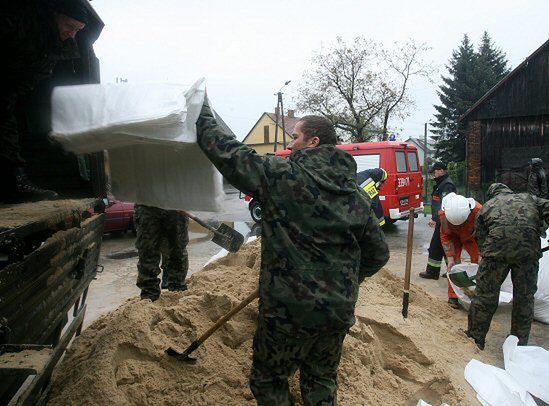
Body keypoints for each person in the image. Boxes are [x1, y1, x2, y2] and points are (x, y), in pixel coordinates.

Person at [195, 100, 390, 405]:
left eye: (295, 136)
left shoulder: (283, 175)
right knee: (321, 379)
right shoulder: (356, 196)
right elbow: (378, 255)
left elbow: (229, 153)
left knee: (269, 380)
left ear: (314, 141)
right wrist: (346, 280)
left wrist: (202, 113)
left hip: (289, 311)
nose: (290, 143)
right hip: (337, 311)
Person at [0, 0, 87, 202]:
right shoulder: (21, 24)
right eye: (70, 26)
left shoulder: (58, 48)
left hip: (8, 92)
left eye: (78, 30)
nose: (72, 34)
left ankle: (15, 183)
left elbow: (30, 79)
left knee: (6, 127)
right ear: (55, 16)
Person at [466, 183, 549, 350]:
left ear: (492, 194)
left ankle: (475, 338)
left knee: (484, 296)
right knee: (524, 298)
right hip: (527, 254)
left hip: (496, 254)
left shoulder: (487, 206)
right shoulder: (530, 199)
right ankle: (519, 344)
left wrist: (486, 255)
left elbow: (480, 236)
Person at [134, 205, 189, 301]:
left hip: (176, 203)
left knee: (178, 250)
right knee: (147, 251)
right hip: (147, 203)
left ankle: (177, 291)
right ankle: (149, 296)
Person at [439, 193, 482, 309]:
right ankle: (453, 296)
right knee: (453, 266)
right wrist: (450, 257)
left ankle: (478, 294)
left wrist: (481, 253)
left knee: (480, 264)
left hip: (473, 237)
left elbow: (486, 234)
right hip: (453, 237)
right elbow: (445, 236)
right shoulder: (444, 215)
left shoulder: (479, 212)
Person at [419, 162, 456, 279]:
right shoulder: (442, 184)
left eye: (434, 172)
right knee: (443, 246)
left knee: (435, 247)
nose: (433, 175)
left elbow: (445, 205)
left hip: (444, 222)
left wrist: (436, 219)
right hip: (442, 221)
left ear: (440, 170)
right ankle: (452, 271)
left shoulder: (446, 185)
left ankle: (432, 272)